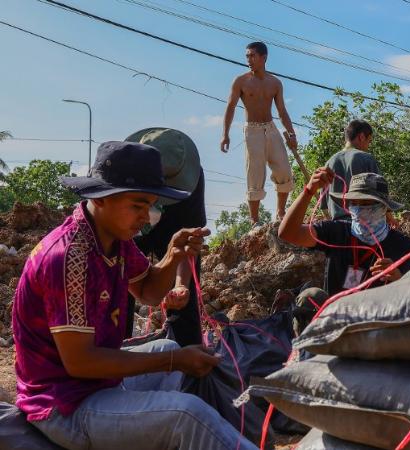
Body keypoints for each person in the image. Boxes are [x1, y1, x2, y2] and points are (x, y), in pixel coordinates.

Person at [12, 141, 257, 450]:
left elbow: (149, 292)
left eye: (151, 206)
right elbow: (81, 363)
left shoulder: (115, 239)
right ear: (101, 198)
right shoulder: (69, 257)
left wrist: (172, 256)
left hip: (94, 387)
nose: (147, 217)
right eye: (138, 206)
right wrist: (173, 361)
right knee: (186, 413)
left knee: (169, 346)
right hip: (65, 406)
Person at [279, 169, 410, 297]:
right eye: (354, 203)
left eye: (366, 204)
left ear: (384, 208)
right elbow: (288, 233)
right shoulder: (336, 232)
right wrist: (309, 191)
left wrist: (398, 277)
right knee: (311, 295)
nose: (359, 210)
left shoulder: (404, 246)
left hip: (380, 318)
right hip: (337, 316)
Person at [125, 127, 205, 347]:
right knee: (119, 290)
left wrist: (181, 285)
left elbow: (188, 239)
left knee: (183, 304)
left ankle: (189, 366)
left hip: (174, 235)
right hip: (131, 236)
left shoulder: (193, 181)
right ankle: (117, 355)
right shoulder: (123, 180)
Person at [221, 41, 298, 224]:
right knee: (255, 175)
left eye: (252, 56)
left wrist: (292, 134)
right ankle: (254, 221)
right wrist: (225, 134)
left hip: (271, 128)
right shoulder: (241, 81)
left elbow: (282, 111)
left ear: (264, 58)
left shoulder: (275, 83)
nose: (249, 59)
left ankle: (280, 212)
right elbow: (230, 107)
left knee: (284, 170)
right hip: (252, 130)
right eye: (247, 56)